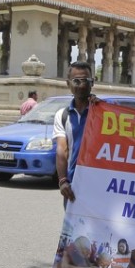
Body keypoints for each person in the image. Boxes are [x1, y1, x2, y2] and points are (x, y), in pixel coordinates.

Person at [53, 61, 97, 205]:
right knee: (73, 228)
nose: (82, 85)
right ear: (68, 84)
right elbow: (62, 149)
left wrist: (101, 108)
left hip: (100, 185)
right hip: (73, 186)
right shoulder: (62, 115)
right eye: (76, 81)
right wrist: (63, 180)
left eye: (86, 81)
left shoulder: (104, 113)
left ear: (93, 83)